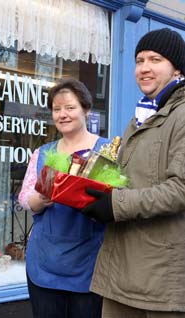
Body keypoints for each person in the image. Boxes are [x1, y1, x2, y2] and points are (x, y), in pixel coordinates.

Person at [82, 28, 185, 317]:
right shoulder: (140, 116)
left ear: (176, 68)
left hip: (159, 279)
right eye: (139, 60)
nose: (144, 68)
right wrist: (85, 189)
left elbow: (180, 189)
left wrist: (114, 205)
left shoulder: (181, 114)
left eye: (155, 59)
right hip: (120, 269)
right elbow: (128, 177)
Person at [18, 78, 109, 318]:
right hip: (44, 264)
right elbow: (25, 197)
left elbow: (118, 202)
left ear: (86, 110)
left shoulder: (105, 153)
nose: (62, 115)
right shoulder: (43, 153)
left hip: (90, 264)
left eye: (70, 107)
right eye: (56, 109)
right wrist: (39, 200)